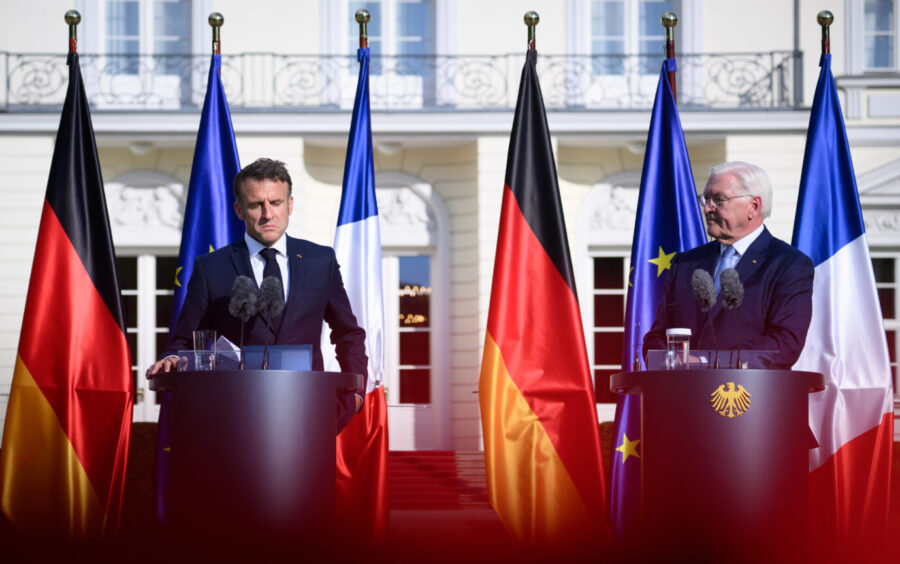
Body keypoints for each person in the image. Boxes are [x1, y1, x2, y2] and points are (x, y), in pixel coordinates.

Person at [147, 158, 367, 429]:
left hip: (309, 415)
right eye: (255, 205)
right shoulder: (211, 267)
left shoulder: (321, 260)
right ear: (239, 210)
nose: (268, 214)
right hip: (232, 418)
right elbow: (183, 341)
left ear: (290, 205)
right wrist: (171, 358)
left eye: (275, 203)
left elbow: (348, 333)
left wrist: (355, 394)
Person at [643, 161, 814, 369]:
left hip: (747, 396)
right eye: (706, 199)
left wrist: (705, 363)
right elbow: (657, 335)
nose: (707, 208)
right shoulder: (684, 263)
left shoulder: (788, 265)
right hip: (682, 396)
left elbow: (783, 346)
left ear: (754, 206)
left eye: (718, 199)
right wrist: (668, 359)